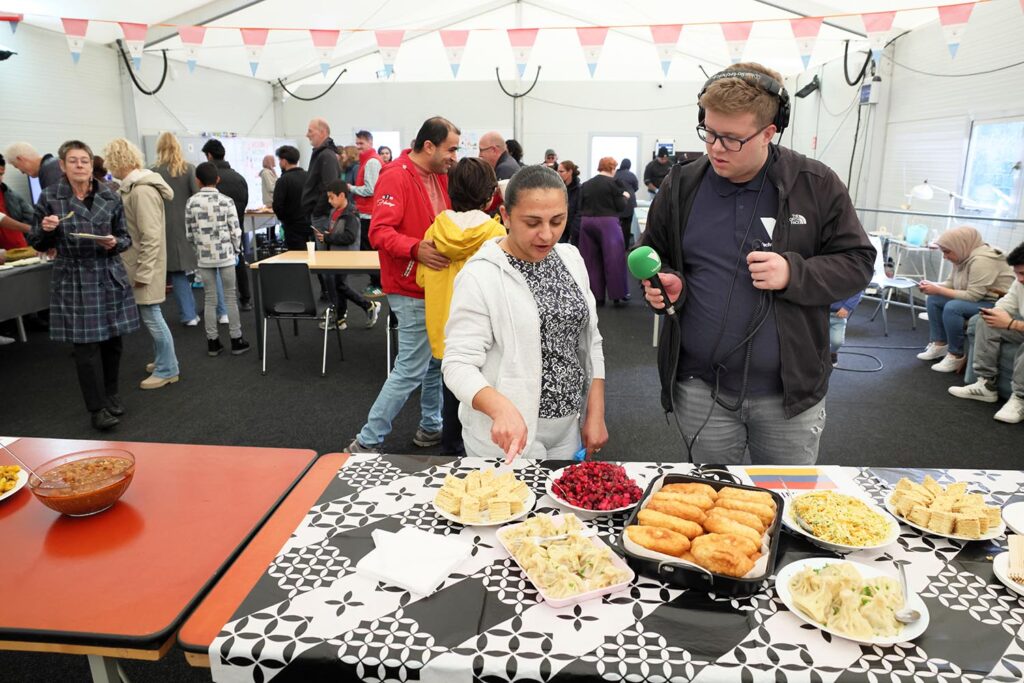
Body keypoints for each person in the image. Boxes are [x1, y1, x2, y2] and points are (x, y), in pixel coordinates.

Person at [638, 63, 875, 465]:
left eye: (731, 139)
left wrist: (793, 273)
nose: (715, 147)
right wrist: (668, 283)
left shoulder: (816, 184)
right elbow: (655, 254)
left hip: (788, 397)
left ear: (770, 131)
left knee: (785, 502)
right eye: (709, 132)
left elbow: (858, 262)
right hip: (700, 389)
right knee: (711, 508)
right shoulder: (680, 185)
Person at [443, 165, 607, 461]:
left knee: (559, 507)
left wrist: (595, 412)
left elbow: (590, 341)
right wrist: (499, 407)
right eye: (532, 223)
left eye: (557, 221)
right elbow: (457, 364)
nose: (547, 234)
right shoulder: (480, 275)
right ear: (505, 216)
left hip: (568, 425)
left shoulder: (571, 258)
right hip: (504, 436)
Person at [347, 116, 460, 453]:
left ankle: (430, 426)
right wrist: (415, 248)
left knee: (435, 363)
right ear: (429, 146)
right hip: (409, 288)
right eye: (451, 149)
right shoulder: (395, 176)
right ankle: (366, 442)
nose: (455, 155)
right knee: (410, 368)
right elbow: (378, 232)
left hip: (434, 286)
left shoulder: (439, 176)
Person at [27, 140, 140, 430]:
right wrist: (47, 231)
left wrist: (115, 243)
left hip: (108, 272)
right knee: (85, 347)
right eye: (73, 161)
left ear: (92, 165)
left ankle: (111, 393)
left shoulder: (110, 195)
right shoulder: (51, 196)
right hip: (74, 276)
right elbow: (36, 241)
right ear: (62, 166)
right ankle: (97, 408)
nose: (80, 166)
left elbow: (125, 237)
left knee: (114, 341)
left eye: (85, 161)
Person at [418, 157, 506, 455]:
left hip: (444, 331)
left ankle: (450, 450)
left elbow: (421, 278)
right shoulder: (497, 236)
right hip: (486, 334)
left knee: (452, 389)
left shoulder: (434, 231)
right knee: (484, 395)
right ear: (491, 194)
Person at [104, 138, 180, 390]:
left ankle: (168, 368)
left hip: (144, 265)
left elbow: (150, 236)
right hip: (140, 263)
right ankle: (163, 361)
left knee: (152, 316)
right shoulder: (135, 188)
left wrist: (144, 272)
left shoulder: (141, 190)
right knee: (152, 316)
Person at [916, 226, 1015, 372]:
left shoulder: (983, 260)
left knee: (953, 307)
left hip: (996, 302)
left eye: (947, 252)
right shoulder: (963, 255)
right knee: (934, 299)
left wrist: (938, 289)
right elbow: (950, 283)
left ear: (960, 246)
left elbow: (973, 295)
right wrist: (933, 286)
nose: (945, 257)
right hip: (980, 298)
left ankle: (955, 355)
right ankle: (940, 345)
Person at [948, 242, 1024, 423]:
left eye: (1022, 274)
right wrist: (996, 314)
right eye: (1017, 273)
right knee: (984, 320)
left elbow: (1012, 321)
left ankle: (1020, 398)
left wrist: (1011, 323)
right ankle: (986, 384)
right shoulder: (1020, 283)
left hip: (1018, 325)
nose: (1019, 279)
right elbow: (1007, 303)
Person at [185, 162, 251, 357]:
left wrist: (198, 249)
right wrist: (237, 250)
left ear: (197, 181)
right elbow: (235, 230)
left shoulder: (191, 202)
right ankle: (236, 339)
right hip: (227, 256)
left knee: (210, 299)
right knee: (230, 298)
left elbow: (189, 233)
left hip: (204, 258)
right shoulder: (226, 201)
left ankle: (212, 342)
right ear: (218, 179)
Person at [316, 179, 382, 330]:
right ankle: (341, 318)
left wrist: (327, 237)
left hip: (347, 256)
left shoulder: (351, 214)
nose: (329, 201)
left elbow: (349, 237)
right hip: (335, 255)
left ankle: (367, 306)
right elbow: (337, 231)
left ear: (341, 195)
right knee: (339, 285)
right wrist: (328, 235)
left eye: (331, 197)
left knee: (340, 285)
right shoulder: (334, 212)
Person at [150, 132, 201, 326]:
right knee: (207, 269)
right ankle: (221, 311)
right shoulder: (189, 169)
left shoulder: (152, 171)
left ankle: (189, 315)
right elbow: (196, 198)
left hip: (163, 227)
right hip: (188, 226)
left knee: (177, 272)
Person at [201, 138, 253, 311]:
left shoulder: (211, 181)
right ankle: (245, 299)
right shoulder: (239, 177)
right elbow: (245, 201)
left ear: (209, 156)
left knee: (214, 268)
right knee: (239, 262)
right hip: (237, 225)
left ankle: (219, 305)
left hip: (214, 231)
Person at [580, 156, 628, 306]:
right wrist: (625, 196)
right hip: (608, 222)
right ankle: (617, 295)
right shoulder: (613, 184)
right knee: (614, 259)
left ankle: (596, 297)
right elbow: (621, 206)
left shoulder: (586, 184)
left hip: (586, 222)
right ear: (612, 168)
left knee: (591, 261)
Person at [350, 130, 384, 297]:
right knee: (369, 251)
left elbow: (371, 189)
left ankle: (378, 284)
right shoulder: (367, 161)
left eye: (361, 143)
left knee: (371, 252)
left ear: (370, 143)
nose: (358, 147)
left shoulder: (371, 162)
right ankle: (375, 282)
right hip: (366, 213)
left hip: (370, 215)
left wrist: (351, 188)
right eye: (357, 144)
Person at [301, 118, 340, 235]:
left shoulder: (326, 155)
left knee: (323, 253)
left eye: (310, 131)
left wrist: (317, 212)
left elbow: (330, 186)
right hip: (320, 215)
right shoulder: (321, 154)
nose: (307, 135)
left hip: (323, 216)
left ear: (322, 132)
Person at [272, 145, 310, 249]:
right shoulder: (309, 176)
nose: (279, 163)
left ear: (284, 161)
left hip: (292, 227)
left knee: (296, 258)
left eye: (279, 160)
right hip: (311, 225)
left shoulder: (283, 180)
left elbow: (277, 205)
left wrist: (285, 220)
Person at [0, 154, 31, 249]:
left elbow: (31, 216)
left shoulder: (10, 194)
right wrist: (30, 229)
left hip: (21, 250)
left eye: (1, 174)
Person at [829, 291, 864, 366]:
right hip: (819, 312)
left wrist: (847, 307)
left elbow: (858, 291)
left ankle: (832, 353)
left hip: (838, 315)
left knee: (837, 341)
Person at [614, 158, 639, 247]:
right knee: (627, 225)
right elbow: (636, 187)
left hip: (617, 201)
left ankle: (616, 244)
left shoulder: (615, 174)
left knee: (616, 224)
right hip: (630, 202)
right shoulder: (632, 175)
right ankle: (625, 245)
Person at [556, 160, 582, 245]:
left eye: (561, 171)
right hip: (560, 229)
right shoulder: (558, 188)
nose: (558, 173)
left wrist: (573, 232)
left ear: (570, 172)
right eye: (557, 171)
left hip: (573, 232)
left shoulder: (579, 189)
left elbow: (579, 212)